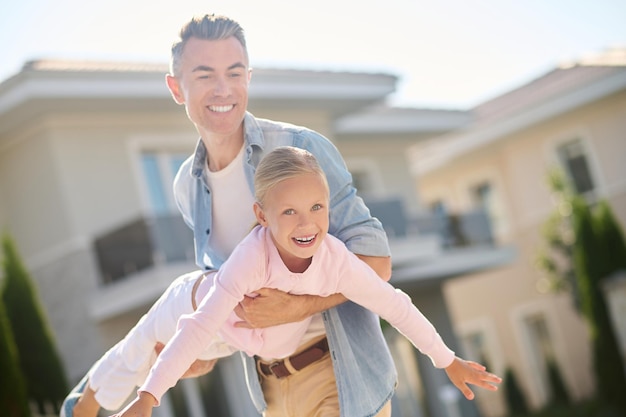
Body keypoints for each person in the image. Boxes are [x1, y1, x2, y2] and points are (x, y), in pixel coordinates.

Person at [111, 146, 500, 417]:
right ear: (262, 216)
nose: (306, 224)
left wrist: (446, 359)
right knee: (181, 324)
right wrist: (149, 396)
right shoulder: (251, 259)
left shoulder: (335, 261)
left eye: (317, 207)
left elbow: (395, 305)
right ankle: (125, 378)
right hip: (227, 332)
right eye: (290, 212)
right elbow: (198, 327)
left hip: (292, 359)